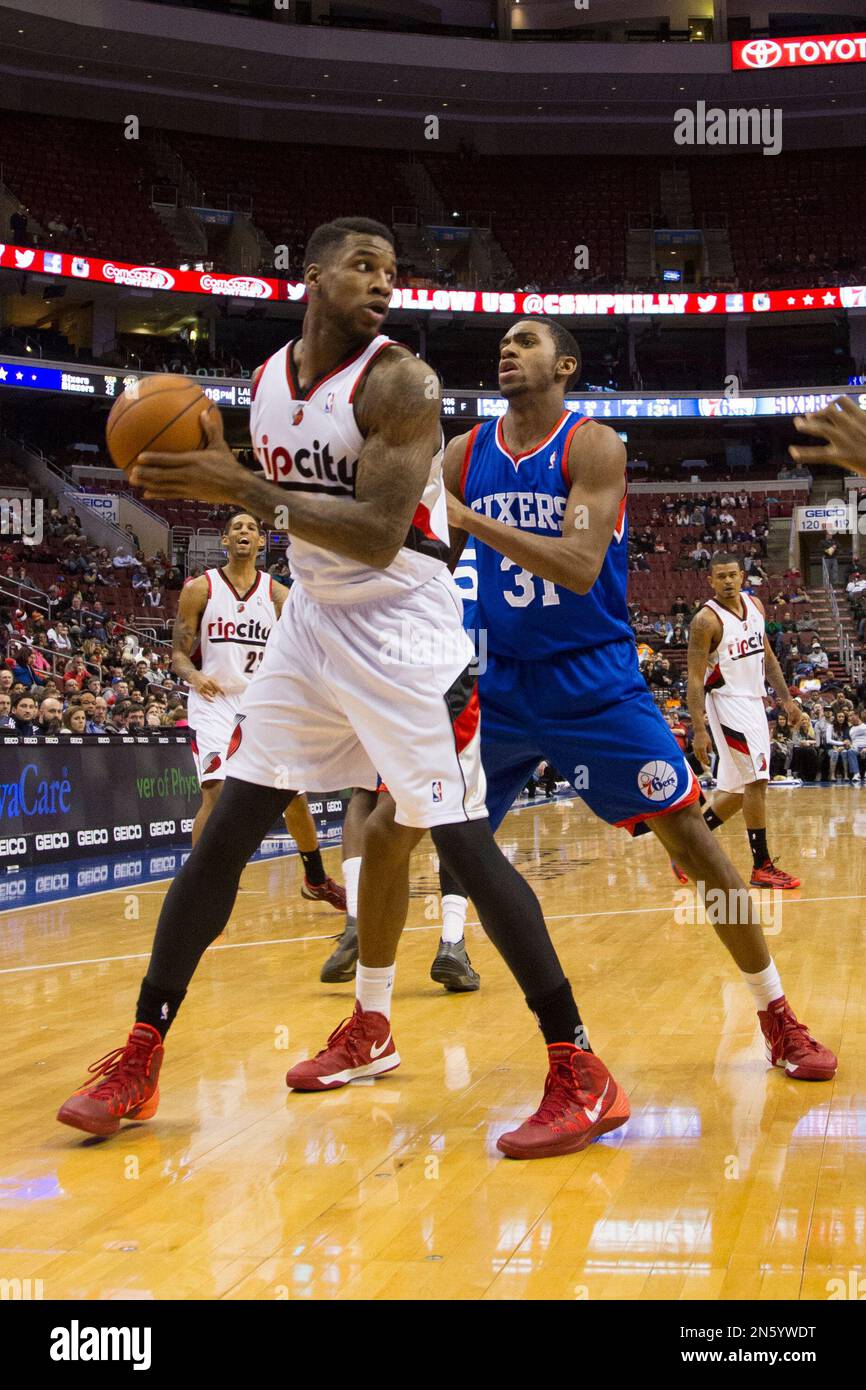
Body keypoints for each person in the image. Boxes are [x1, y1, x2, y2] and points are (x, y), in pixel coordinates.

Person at [56, 220, 629, 1162]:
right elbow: (291, 510)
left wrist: (236, 483)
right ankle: (143, 1052)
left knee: (459, 843)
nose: (382, 283)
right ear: (312, 276)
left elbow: (372, 530)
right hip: (313, 625)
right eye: (362, 267)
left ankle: (580, 1066)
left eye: (391, 271)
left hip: (406, 634)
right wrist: (227, 479)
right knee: (229, 829)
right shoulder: (268, 382)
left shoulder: (405, 384)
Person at [413, 320, 831, 1086]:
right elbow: (427, 558)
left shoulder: (592, 446)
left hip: (592, 678)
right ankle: (371, 1015)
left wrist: (467, 521)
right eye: (503, 340)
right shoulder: (462, 453)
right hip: (495, 678)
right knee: (393, 823)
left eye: (528, 341)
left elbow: (577, 566)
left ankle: (777, 1013)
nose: (508, 349)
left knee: (697, 846)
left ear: (565, 365)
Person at [172, 509, 346, 909]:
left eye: (252, 527)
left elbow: (304, 652)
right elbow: (178, 655)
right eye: (237, 528)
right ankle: (202, 887)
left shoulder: (278, 595)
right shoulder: (200, 589)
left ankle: (315, 879)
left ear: (262, 542)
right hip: (213, 700)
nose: (245, 532)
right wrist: (195, 677)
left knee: (291, 796)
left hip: (262, 702)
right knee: (215, 791)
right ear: (225, 542)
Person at [683, 554, 802, 888]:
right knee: (757, 782)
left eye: (733, 575)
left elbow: (768, 658)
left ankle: (686, 850)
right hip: (727, 703)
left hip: (754, 702)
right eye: (720, 576)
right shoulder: (705, 621)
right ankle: (761, 866)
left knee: (736, 792)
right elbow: (694, 679)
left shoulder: (756, 606)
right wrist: (699, 729)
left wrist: (787, 700)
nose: (728, 582)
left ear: (743, 576)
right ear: (710, 580)